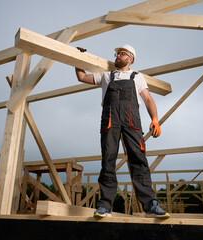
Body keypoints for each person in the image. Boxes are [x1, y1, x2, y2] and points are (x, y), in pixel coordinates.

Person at [75, 44, 170, 218]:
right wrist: (78, 59)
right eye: (117, 53)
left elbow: (148, 99)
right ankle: (105, 206)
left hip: (132, 121)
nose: (118, 55)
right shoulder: (106, 76)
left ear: (130, 58)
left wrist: (155, 119)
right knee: (108, 159)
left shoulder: (137, 76)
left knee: (139, 159)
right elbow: (82, 76)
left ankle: (150, 205)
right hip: (110, 120)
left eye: (122, 53)